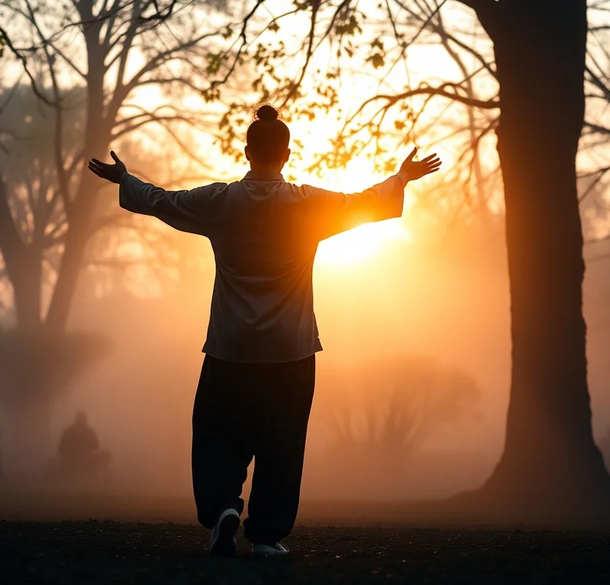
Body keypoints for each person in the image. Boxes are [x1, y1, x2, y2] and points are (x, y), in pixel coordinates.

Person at [87, 105, 441, 557]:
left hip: (230, 348)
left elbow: (164, 202)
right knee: (283, 443)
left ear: (248, 151)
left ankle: (222, 509)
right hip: (290, 351)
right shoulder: (307, 203)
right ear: (287, 154)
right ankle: (268, 537)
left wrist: (126, 180)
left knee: (217, 432)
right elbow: (363, 203)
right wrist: (401, 178)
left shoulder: (221, 201)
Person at [58, 410, 110, 477]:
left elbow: (61, 448)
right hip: (86, 462)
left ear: (76, 419)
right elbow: (96, 446)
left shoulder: (68, 431)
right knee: (106, 454)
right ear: (85, 420)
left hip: (70, 462)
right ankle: (103, 478)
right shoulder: (89, 432)